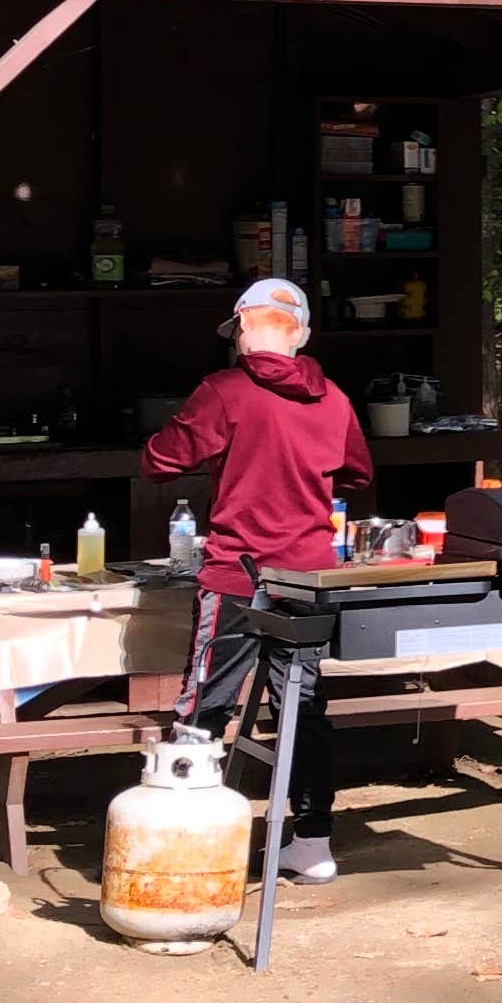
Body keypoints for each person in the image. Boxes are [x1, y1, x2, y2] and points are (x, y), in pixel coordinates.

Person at [142, 277, 372, 880]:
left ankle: (184, 844)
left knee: (205, 703)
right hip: (309, 574)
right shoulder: (334, 399)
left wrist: (231, 455)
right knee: (303, 704)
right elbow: (355, 473)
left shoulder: (223, 391)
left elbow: (159, 461)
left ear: (243, 331)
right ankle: (313, 843)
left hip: (237, 574)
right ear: (302, 336)